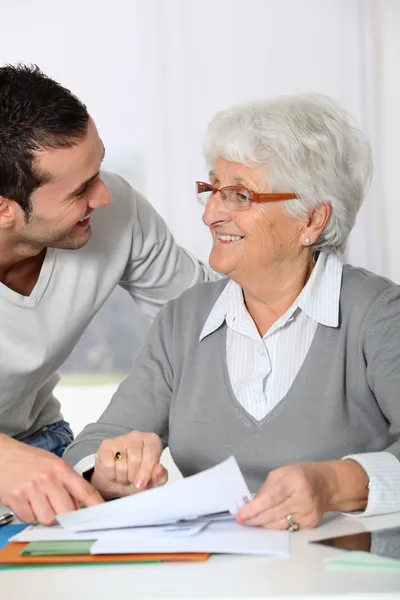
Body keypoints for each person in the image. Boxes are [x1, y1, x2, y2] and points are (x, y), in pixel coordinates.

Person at [65, 92, 400, 531]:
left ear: (313, 221)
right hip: (219, 577)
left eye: (239, 196)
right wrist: (108, 469)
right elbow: (93, 444)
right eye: (211, 189)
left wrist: (336, 483)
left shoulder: (378, 317)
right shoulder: (182, 321)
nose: (209, 214)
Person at [0, 64, 217, 524]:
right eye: (80, 190)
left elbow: (211, 320)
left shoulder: (112, 211)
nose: (104, 196)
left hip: (45, 447)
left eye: (99, 167)